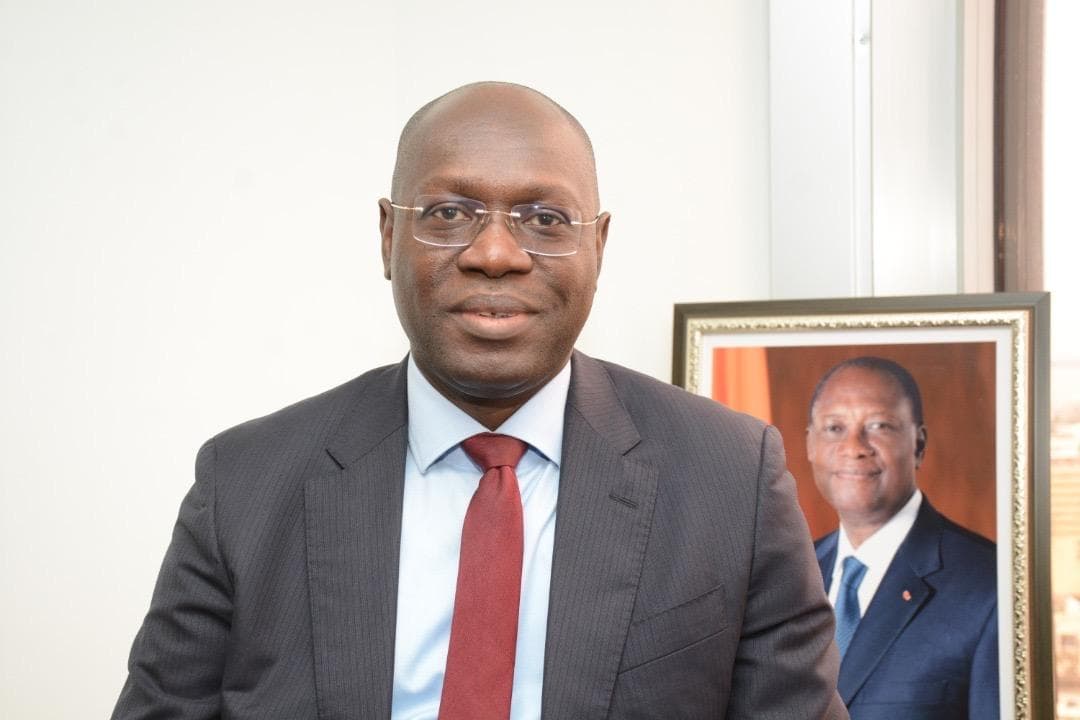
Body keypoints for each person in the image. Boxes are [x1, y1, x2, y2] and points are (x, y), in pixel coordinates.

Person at [112, 81, 846, 719]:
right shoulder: (244, 483)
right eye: (448, 213)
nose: (495, 254)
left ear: (599, 247)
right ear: (388, 235)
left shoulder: (731, 479)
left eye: (545, 220)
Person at [807, 356, 998, 720]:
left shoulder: (990, 585)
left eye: (879, 426)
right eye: (834, 428)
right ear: (810, 445)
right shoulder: (790, 575)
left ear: (919, 445)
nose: (854, 446)